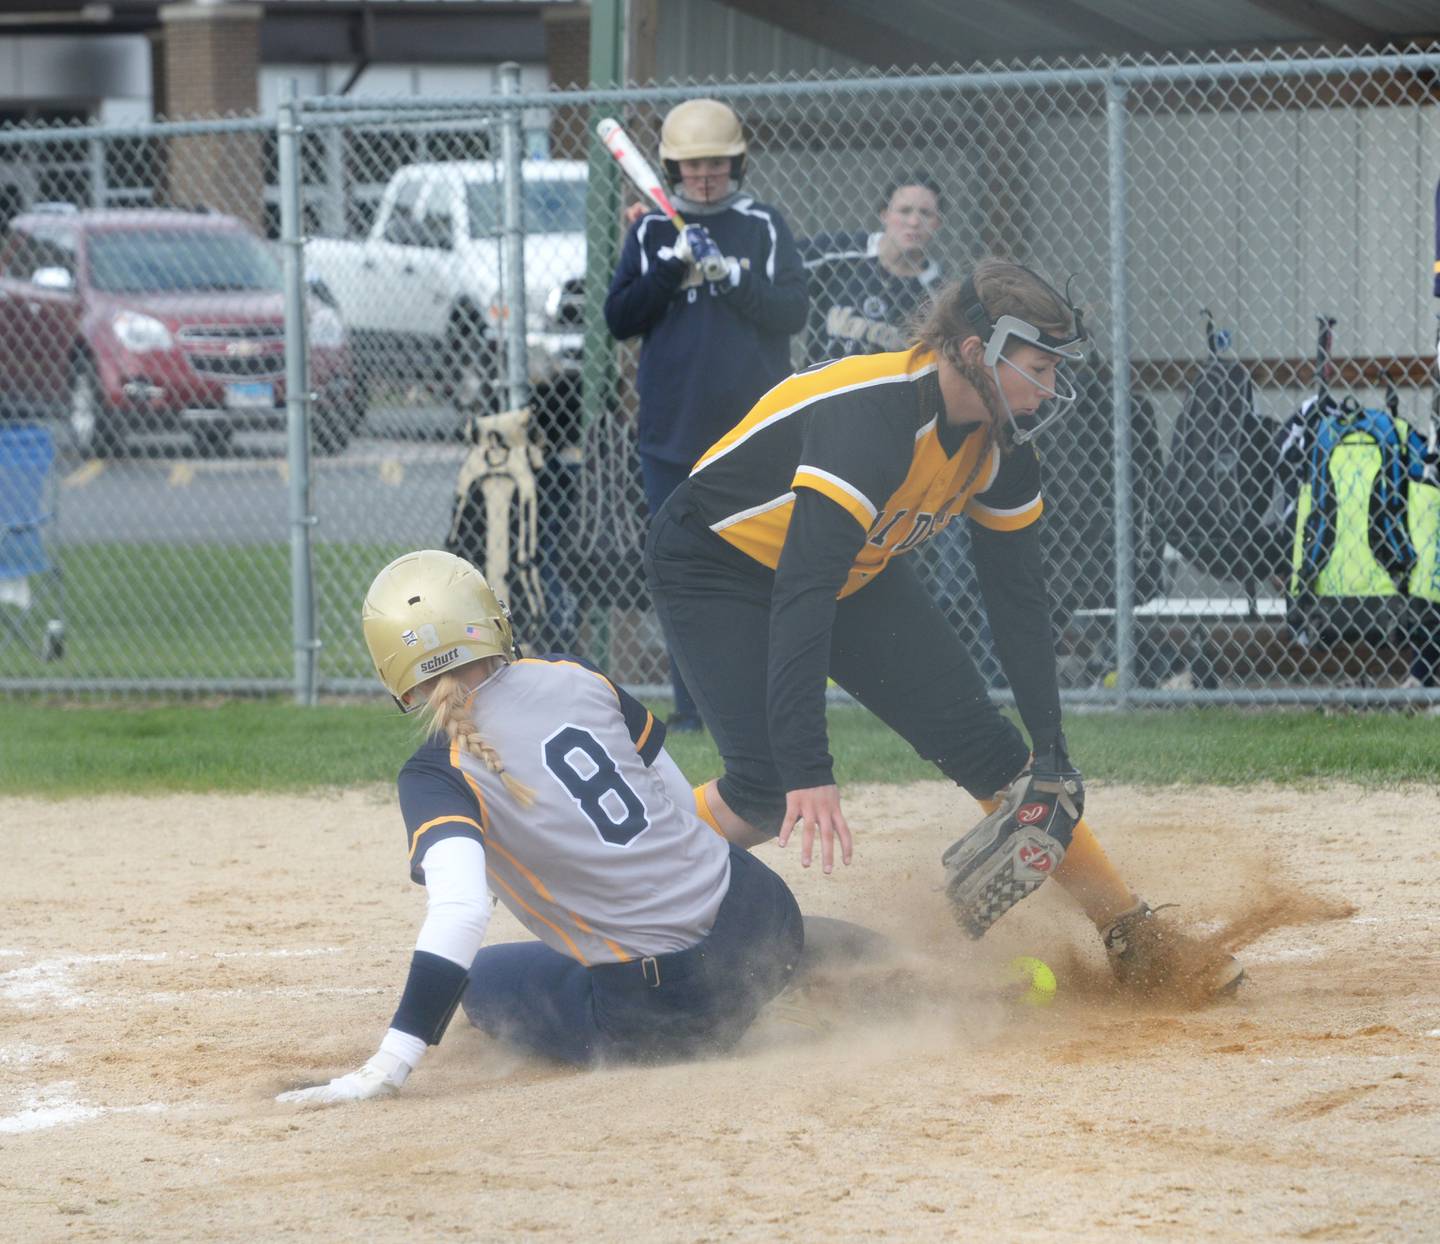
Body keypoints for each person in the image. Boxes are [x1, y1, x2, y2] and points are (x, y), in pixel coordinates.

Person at [643, 258, 1245, 999]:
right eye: (1036, 366)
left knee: (1007, 764)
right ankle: (616, 877)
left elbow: (1019, 603)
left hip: (850, 565)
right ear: (973, 351)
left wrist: (1051, 750)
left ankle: (1131, 934)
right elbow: (803, 590)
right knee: (763, 790)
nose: (1050, 387)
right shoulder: (878, 416)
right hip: (718, 562)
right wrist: (808, 767)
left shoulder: (999, 447)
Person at [278, 550, 804, 1104]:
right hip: (766, 915)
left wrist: (389, 1065)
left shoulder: (435, 771)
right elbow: (676, 807)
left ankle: (736, 991)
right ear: (493, 622)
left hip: (673, 1010)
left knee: (479, 978)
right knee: (707, 913)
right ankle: (804, 964)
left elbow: (460, 911)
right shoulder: (574, 673)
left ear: (394, 674)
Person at [604, 98, 808, 732]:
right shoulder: (649, 232)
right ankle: (694, 707)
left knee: (759, 566)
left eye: (715, 161)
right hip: (670, 434)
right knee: (681, 569)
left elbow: (791, 313)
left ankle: (769, 704)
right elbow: (620, 320)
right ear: (671, 168)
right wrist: (670, 268)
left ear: (735, 161)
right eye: (691, 165)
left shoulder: (763, 226)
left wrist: (729, 277)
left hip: (754, 434)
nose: (704, 175)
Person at [802, 176, 946, 367]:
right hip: (819, 387)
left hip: (882, 395)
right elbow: (783, 270)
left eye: (925, 213)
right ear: (884, 214)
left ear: (938, 223)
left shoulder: (937, 294)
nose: (913, 222)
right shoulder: (841, 251)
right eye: (904, 211)